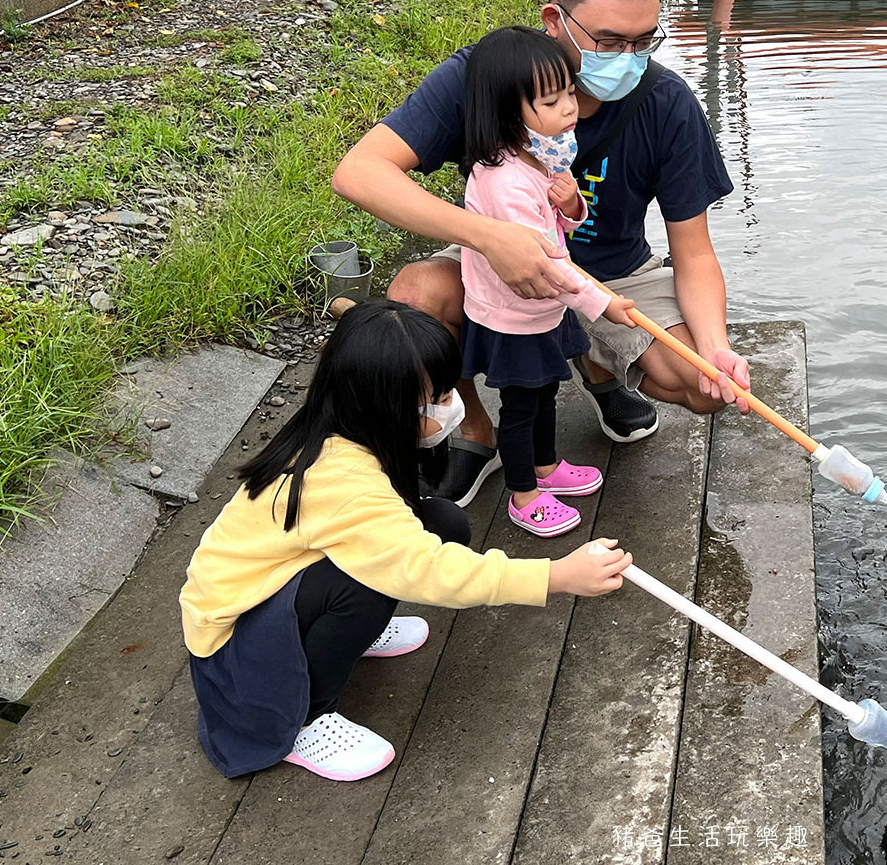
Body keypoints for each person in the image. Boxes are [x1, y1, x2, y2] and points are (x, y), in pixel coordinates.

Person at [332, 0, 751, 509]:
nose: (627, 59)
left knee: (707, 389)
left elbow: (695, 252)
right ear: (555, 20)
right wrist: (488, 237)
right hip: (503, 271)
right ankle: (479, 432)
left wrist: (713, 346)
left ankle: (596, 368)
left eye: (643, 41)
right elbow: (359, 172)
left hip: (614, 276)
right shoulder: (487, 78)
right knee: (415, 296)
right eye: (608, 42)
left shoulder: (666, 102)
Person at [178, 300, 632, 782]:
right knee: (363, 581)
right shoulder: (343, 484)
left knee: (441, 522)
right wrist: (555, 576)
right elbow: (428, 571)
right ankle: (306, 719)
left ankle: (350, 634)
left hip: (266, 594)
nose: (449, 404)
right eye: (435, 396)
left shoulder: (336, 429)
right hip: (237, 650)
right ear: (384, 403)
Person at [456, 24, 638, 536]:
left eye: (569, 94)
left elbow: (556, 229)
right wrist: (601, 301)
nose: (570, 108)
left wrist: (570, 203)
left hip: (542, 310)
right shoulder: (506, 180)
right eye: (552, 100)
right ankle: (523, 494)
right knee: (519, 406)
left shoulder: (538, 157)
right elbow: (545, 261)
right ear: (510, 111)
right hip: (515, 317)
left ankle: (546, 465)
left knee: (544, 396)